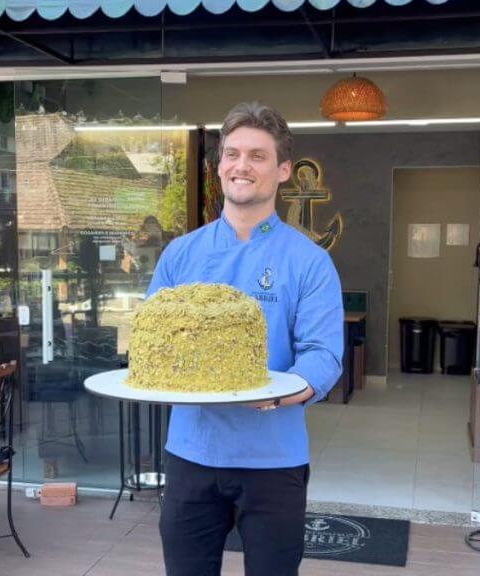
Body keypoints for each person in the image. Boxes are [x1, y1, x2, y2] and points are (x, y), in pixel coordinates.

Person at [146, 101, 345, 576]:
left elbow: (323, 355)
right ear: (219, 168)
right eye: (232, 154)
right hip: (191, 453)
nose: (241, 165)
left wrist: (278, 395)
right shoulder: (181, 254)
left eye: (257, 156)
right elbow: (154, 341)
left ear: (282, 171)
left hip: (273, 460)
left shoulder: (309, 261)